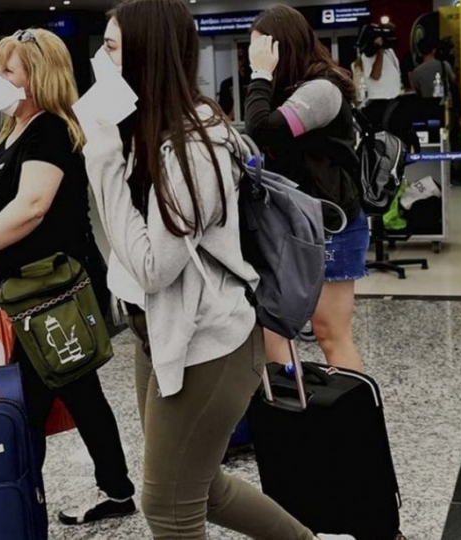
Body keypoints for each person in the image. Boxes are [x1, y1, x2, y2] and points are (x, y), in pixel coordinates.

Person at [82, 1, 354, 539]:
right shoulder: (146, 127)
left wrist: (103, 160)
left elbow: (155, 266)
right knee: (199, 487)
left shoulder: (193, 145)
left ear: (146, 54)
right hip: (160, 331)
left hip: (206, 343)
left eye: (110, 47)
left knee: (168, 507)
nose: (99, 60)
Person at [0, 28, 136, 528]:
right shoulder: (14, 129)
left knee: (35, 399)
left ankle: (19, 503)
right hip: (31, 290)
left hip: (58, 291)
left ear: (36, 78)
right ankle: (94, 492)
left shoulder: (50, 130)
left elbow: (32, 206)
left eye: (8, 71)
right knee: (74, 391)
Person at [244, 4, 366, 373]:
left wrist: (260, 74)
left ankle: (352, 406)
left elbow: (262, 129)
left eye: (261, 47)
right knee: (272, 329)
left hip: (331, 224)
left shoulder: (322, 90)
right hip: (292, 224)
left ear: (282, 47)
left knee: (330, 333)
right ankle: (295, 402)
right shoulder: (286, 90)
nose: (254, 55)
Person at [360, 29, 402, 129]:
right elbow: (376, 75)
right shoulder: (367, 55)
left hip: (394, 99)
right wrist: (380, 51)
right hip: (379, 101)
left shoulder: (390, 51)